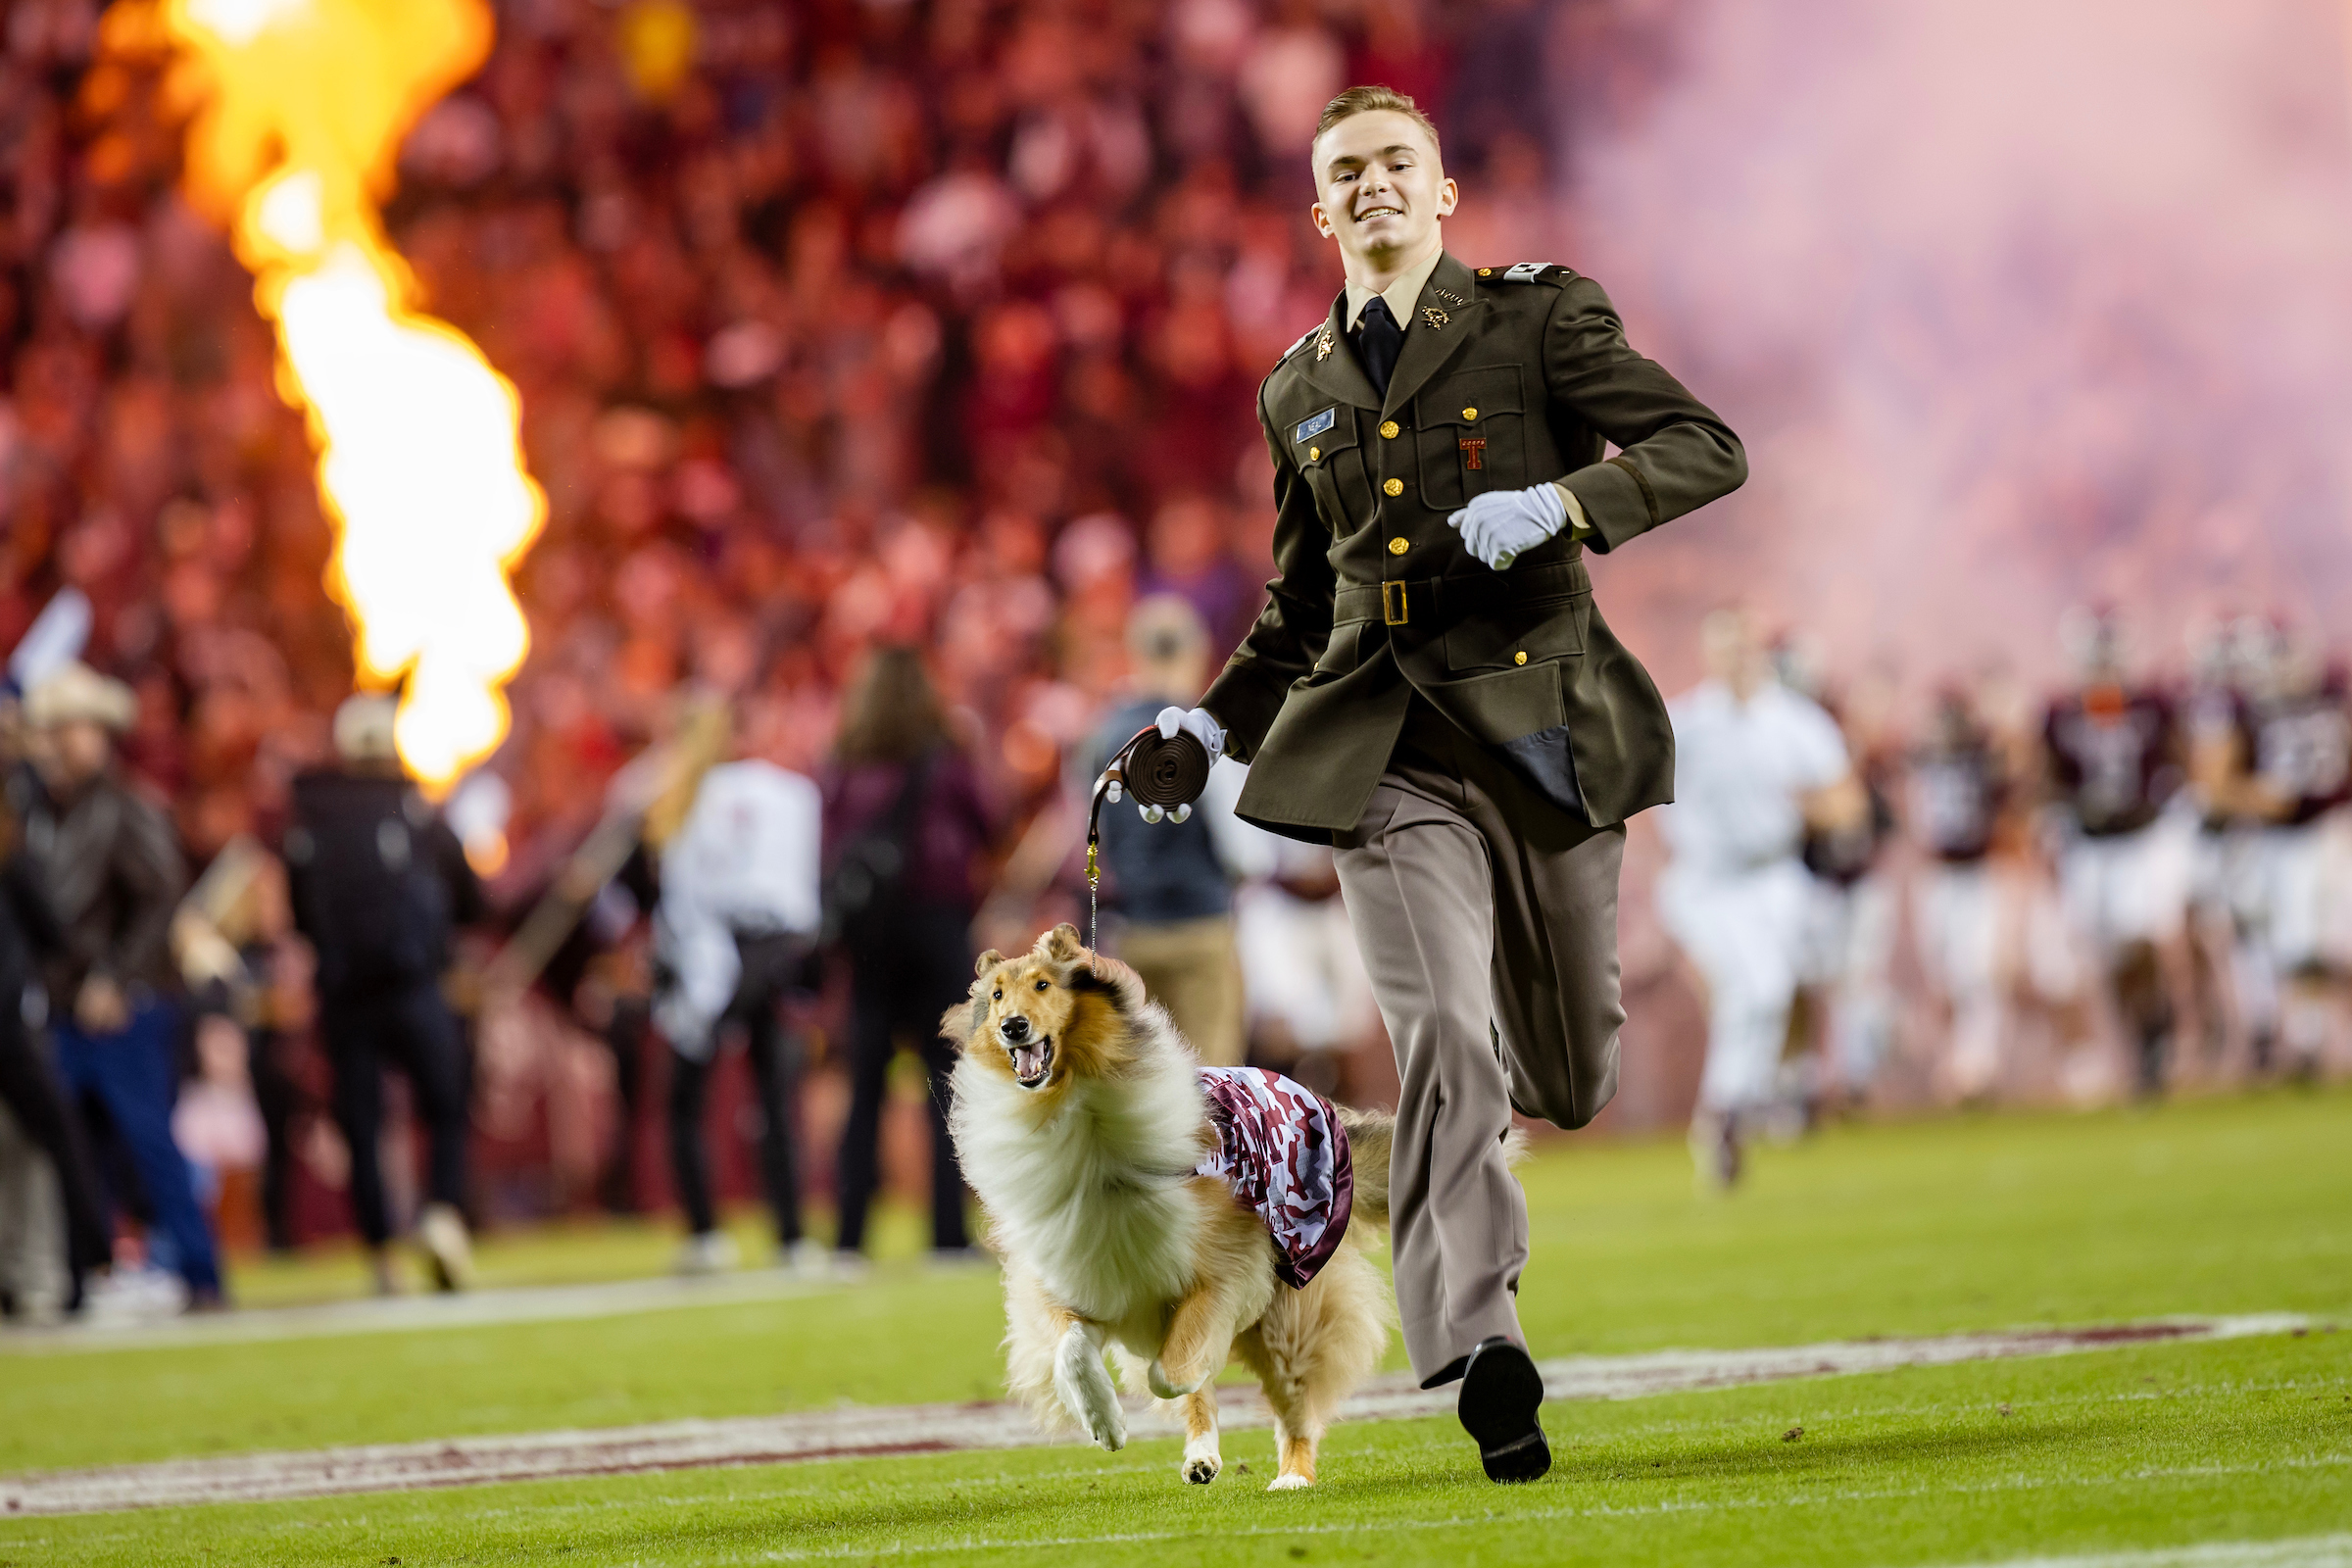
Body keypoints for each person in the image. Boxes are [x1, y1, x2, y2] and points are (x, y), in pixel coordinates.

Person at [1151, 86, 1745, 1482]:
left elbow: (1702, 446)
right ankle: (1483, 1347)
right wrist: (1208, 721)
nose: (1371, 187)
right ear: (1319, 210)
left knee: (1571, 1068)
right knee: (1448, 1046)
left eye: (1394, 165)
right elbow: (1304, 607)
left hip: (1543, 742)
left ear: (1442, 192)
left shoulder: (1541, 319)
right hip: (1378, 757)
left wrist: (1568, 502)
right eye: (1345, 171)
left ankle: (1486, 1294)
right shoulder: (1296, 385)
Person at [20, 662, 219, 1307]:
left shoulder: (128, 806)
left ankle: (200, 1272)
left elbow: (160, 901)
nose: (54, 743)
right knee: (76, 1148)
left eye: (67, 729)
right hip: (60, 1002)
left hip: (124, 1004)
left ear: (100, 733)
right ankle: (93, 1275)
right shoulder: (36, 814)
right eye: (47, 730)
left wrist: (116, 977)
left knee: (147, 1140)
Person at [285, 695, 482, 1293]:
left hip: (346, 992)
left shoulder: (311, 817)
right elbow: (472, 898)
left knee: (363, 1122)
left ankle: (381, 1254)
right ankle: (443, 1211)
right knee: (446, 1104)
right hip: (414, 984)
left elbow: (300, 914)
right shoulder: (415, 809)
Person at [1657, 610, 1855, 1186]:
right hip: (1706, 881)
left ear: (1758, 650)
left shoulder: (1794, 720)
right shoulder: (1686, 720)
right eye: (1722, 647)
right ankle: (1727, 1111)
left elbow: (1845, 804)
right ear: (1707, 653)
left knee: (1768, 993)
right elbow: (1632, 785)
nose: (1734, 658)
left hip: (1774, 877)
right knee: (1752, 987)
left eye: (1742, 646)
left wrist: (1796, 802)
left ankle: (1731, 1109)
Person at [823, 647, 989, 1261]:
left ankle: (848, 1237)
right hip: (939, 925)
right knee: (947, 1083)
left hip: (870, 935)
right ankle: (947, 1233)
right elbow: (988, 820)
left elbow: (830, 841)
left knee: (864, 1084)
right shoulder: (945, 754)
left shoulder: (846, 757)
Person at [652, 726, 826, 1274]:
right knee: (774, 1099)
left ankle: (706, 1233)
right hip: (778, 947)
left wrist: (686, 972)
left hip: (717, 945)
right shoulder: (794, 792)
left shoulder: (697, 793)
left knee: (687, 1096)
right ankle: (792, 1236)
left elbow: (687, 893)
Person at [1084, 597, 1252, 1067]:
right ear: (1195, 652)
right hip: (1202, 925)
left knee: (1142, 1084)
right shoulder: (1202, 735)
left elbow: (1089, 831)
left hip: (1133, 930)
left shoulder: (1101, 734)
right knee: (1213, 1080)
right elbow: (1242, 849)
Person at [2042, 611, 2191, 1098]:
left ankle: (2155, 1025)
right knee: (2106, 955)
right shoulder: (2061, 713)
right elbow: (2046, 774)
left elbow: (2180, 756)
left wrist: (2170, 801)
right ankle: (2141, 1037)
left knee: (2140, 935)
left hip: (2139, 838)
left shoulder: (2151, 704)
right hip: (2089, 844)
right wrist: (2054, 811)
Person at [1910, 685, 2015, 1101]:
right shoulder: (1920, 756)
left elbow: (2014, 771)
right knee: (1943, 977)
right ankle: (1954, 1060)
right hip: (1936, 875)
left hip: (1978, 871)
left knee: (1979, 973)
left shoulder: (1984, 756)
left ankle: (1979, 1065)